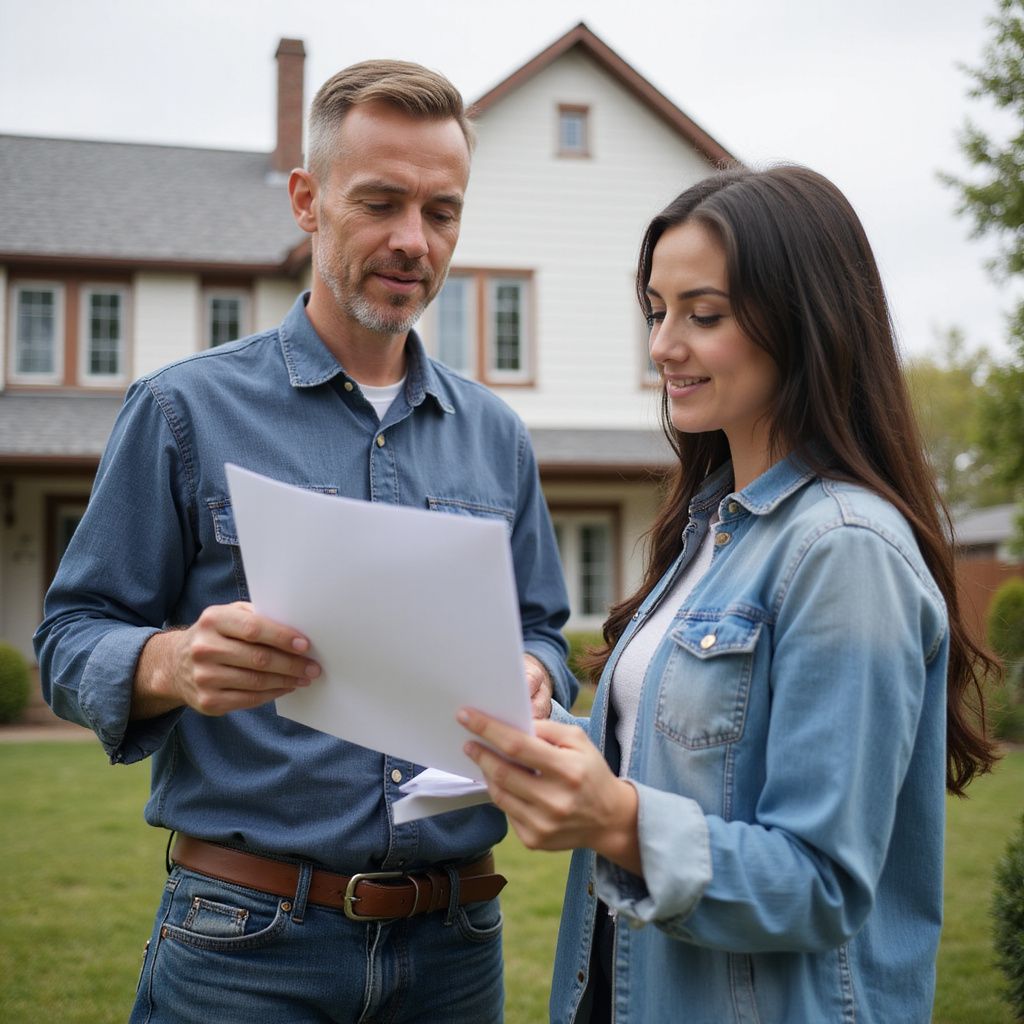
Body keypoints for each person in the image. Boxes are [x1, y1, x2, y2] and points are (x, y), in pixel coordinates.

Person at [34, 59, 577, 1024]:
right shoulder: (181, 409)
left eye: (442, 212)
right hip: (244, 945)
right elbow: (71, 636)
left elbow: (540, 629)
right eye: (380, 203)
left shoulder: (497, 435)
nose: (415, 242)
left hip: (457, 946)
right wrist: (170, 661)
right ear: (306, 200)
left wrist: (536, 673)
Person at [460, 165, 998, 1024]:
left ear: (805, 323)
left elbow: (820, 881)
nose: (663, 345)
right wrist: (545, 737)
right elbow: (683, 764)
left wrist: (618, 822)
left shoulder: (843, 550)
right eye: (657, 312)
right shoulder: (713, 529)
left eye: (702, 315)